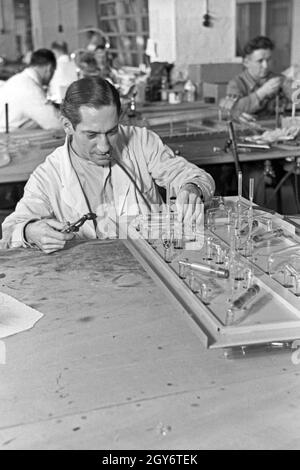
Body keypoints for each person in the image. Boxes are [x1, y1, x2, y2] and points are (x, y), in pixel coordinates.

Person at [1, 76, 215, 254]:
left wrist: (192, 188)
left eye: (111, 132)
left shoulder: (141, 141)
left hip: (153, 261)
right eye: (92, 135)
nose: (104, 146)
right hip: (89, 276)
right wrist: (30, 231)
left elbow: (192, 176)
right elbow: (10, 231)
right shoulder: (49, 175)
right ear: (67, 125)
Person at [221, 36, 292, 120]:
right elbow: (231, 110)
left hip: (274, 128)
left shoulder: (278, 79)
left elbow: (297, 97)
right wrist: (262, 92)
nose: (265, 66)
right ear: (246, 62)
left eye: (268, 60)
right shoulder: (236, 84)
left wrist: (295, 86)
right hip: (247, 130)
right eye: (260, 61)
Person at [0, 48, 62, 131]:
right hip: (10, 139)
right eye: (53, 71)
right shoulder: (30, 88)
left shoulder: (19, 79)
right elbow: (55, 123)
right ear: (49, 68)